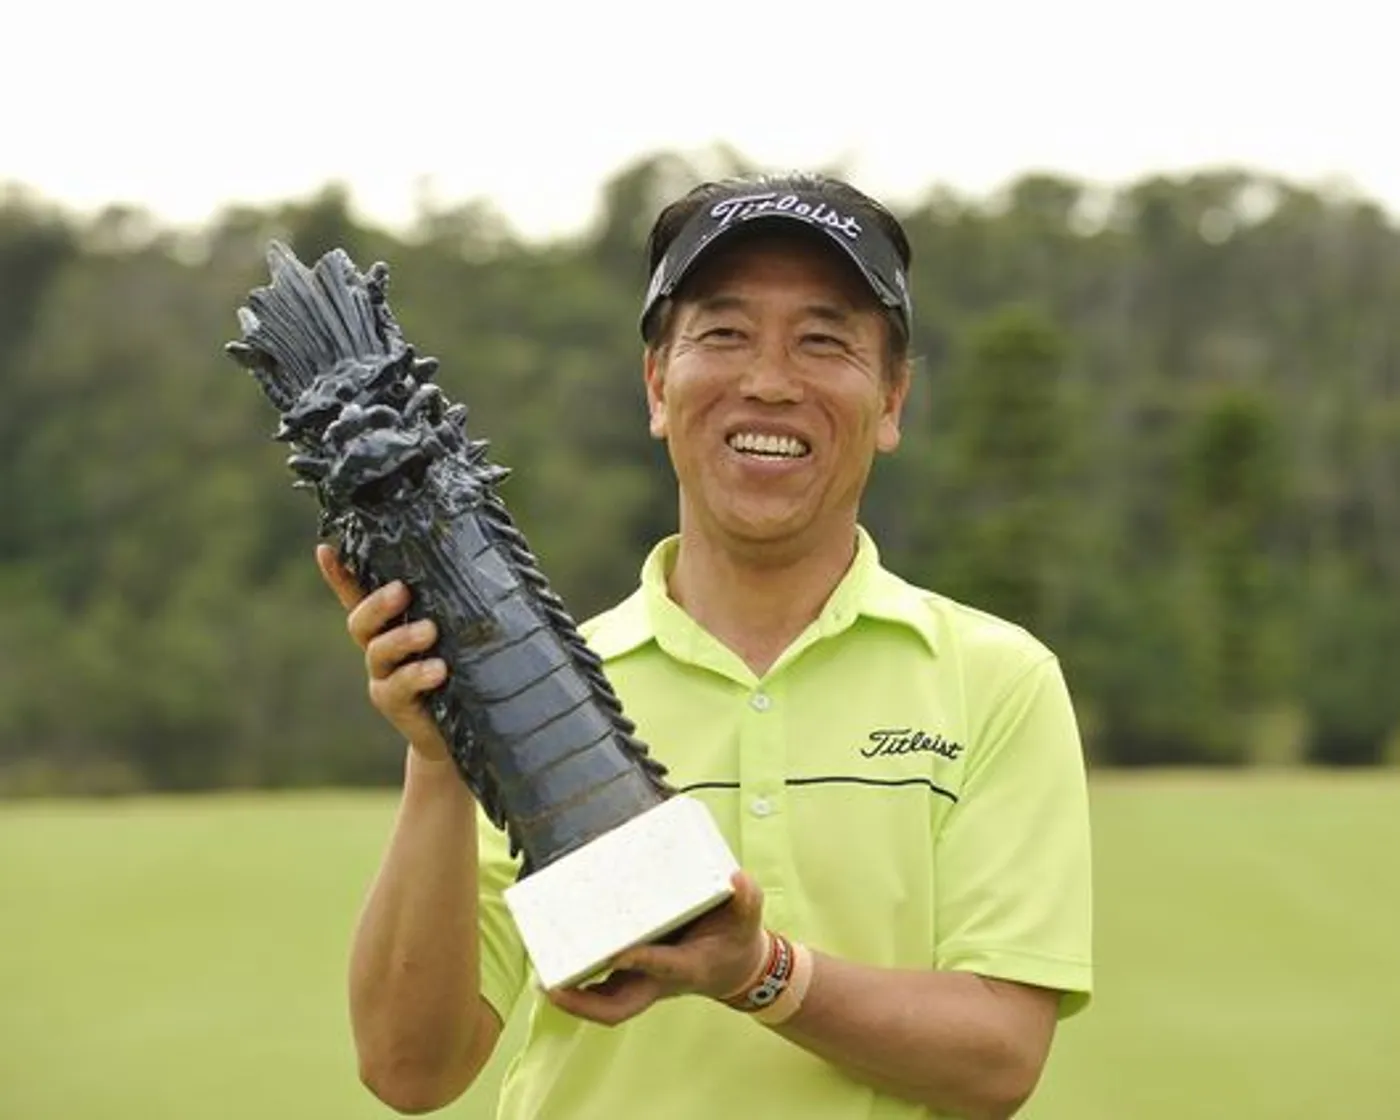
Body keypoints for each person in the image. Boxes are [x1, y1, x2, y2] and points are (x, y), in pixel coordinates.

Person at [317, 172, 1094, 1120]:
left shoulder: (993, 680)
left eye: (823, 341)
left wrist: (760, 973)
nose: (769, 381)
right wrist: (443, 756)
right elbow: (411, 1069)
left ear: (892, 399)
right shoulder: (540, 688)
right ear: (657, 384)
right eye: (724, 334)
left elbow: (998, 1061)